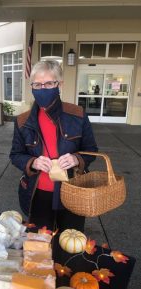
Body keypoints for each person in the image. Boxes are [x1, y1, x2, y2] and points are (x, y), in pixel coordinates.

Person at [9, 60, 98, 233]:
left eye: (49, 83)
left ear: (60, 84)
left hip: (72, 190)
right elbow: (16, 154)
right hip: (38, 193)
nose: (43, 89)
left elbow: (91, 150)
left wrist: (76, 159)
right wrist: (32, 162)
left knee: (69, 241)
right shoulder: (22, 121)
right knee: (40, 244)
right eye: (37, 84)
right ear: (32, 86)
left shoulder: (77, 114)